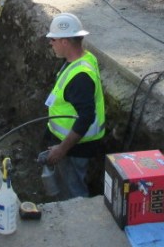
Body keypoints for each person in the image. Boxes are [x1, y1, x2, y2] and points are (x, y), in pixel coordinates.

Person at [44, 13, 106, 199]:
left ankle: (79, 221)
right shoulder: (83, 59)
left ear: (64, 41)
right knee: (69, 184)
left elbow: (86, 117)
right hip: (71, 142)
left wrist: (62, 149)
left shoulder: (80, 77)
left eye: (53, 39)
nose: (50, 43)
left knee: (73, 190)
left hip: (76, 147)